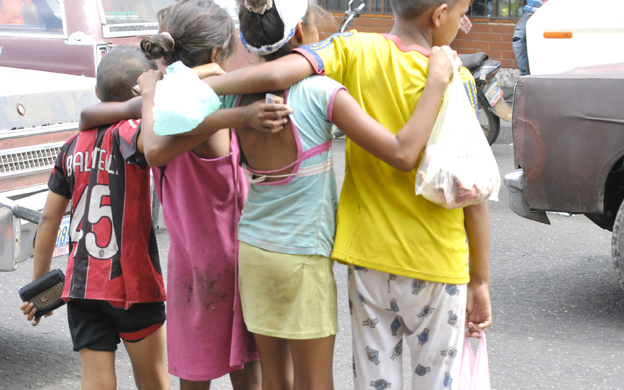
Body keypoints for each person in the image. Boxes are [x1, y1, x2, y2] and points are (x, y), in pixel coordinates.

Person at [138, 0, 460, 388]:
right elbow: (402, 153)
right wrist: (437, 83)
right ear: (303, 35)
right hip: (303, 258)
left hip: (254, 253)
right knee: (314, 382)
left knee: (276, 382)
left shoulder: (230, 96)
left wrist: (163, 87)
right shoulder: (323, 92)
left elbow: (155, 145)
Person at [76, 1, 288, 389]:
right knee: (247, 368)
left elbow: (89, 117)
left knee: (193, 372)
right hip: (234, 254)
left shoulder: (160, 105)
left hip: (191, 264)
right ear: (214, 53)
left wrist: (152, 92)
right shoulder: (215, 97)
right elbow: (160, 146)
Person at [19, 45, 170, 390]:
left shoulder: (71, 145)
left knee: (96, 381)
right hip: (133, 284)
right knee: (154, 380)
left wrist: (40, 289)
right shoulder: (132, 134)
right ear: (141, 90)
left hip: (82, 285)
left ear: (98, 92)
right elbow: (156, 142)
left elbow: (48, 220)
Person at [513, 0, 548, 75]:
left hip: (550, 11)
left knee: (545, 40)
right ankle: (525, 73)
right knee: (517, 39)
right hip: (530, 11)